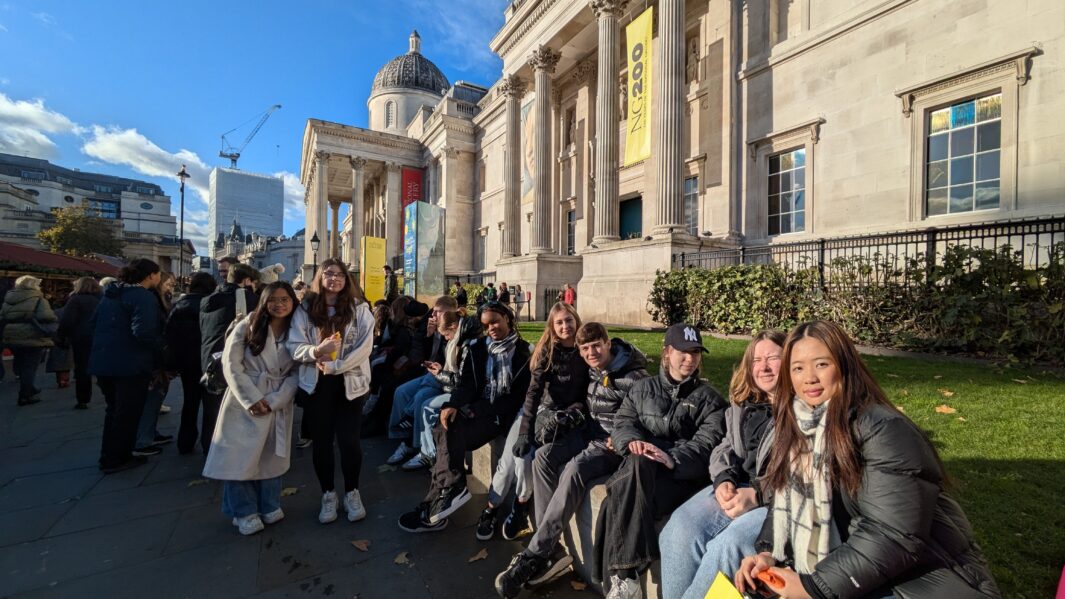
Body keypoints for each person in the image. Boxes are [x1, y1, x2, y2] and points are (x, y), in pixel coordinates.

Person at [734, 321, 1001, 599]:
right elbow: (785, 502)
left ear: (845, 365)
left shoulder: (884, 429)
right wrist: (768, 553)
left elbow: (892, 535)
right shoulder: (800, 426)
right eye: (798, 368)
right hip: (856, 570)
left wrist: (814, 587)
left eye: (822, 364)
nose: (809, 378)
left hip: (917, 582)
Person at [495, 322, 649, 597]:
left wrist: (623, 436)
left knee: (574, 468)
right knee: (542, 457)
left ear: (607, 343)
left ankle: (534, 554)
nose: (591, 352)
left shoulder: (634, 376)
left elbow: (646, 417)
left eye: (596, 346)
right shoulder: (590, 370)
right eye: (585, 348)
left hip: (612, 445)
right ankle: (551, 550)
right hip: (585, 433)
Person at [594, 323, 728, 599]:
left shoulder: (711, 400)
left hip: (679, 480)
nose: (690, 359)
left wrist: (670, 458)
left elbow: (706, 446)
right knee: (638, 463)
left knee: (614, 500)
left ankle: (624, 579)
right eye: (683, 352)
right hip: (641, 474)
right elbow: (623, 423)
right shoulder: (642, 389)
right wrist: (632, 442)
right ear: (667, 353)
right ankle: (626, 579)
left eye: (695, 353)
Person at [659, 330, 786, 599]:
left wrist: (758, 494)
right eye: (756, 360)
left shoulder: (801, 411)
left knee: (727, 547)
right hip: (735, 487)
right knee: (678, 528)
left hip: (776, 500)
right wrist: (724, 479)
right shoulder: (745, 404)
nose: (763, 367)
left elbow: (804, 475)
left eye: (772, 358)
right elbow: (725, 446)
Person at [397, 301, 532, 533]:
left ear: (508, 319)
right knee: (445, 424)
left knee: (449, 433)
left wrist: (475, 409)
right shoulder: (478, 347)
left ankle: (442, 498)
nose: (491, 328)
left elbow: (516, 398)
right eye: (486, 325)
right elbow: (468, 385)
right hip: (479, 411)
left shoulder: (524, 352)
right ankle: (440, 499)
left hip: (501, 416)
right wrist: (453, 404)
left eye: (495, 322)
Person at [481, 302, 587, 547]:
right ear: (552, 326)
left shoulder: (584, 351)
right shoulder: (546, 352)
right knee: (511, 460)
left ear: (576, 320)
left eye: (569, 320)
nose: (565, 326)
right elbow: (533, 395)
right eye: (559, 322)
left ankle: (520, 506)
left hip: (563, 419)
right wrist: (524, 431)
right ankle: (491, 506)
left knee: (526, 460)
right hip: (535, 412)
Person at [202, 281, 300, 536]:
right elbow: (231, 364)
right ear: (264, 301)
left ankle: (269, 504)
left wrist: (277, 399)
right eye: (273, 299)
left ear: (293, 302)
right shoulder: (247, 324)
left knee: (270, 458)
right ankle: (244, 511)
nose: (279, 304)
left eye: (285, 299)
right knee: (239, 458)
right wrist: (252, 398)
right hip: (244, 399)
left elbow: (300, 371)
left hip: (277, 400)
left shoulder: (298, 330)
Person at [288, 259, 374, 525]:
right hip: (316, 383)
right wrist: (315, 352)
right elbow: (294, 345)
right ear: (320, 277)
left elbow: (365, 346)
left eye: (339, 274)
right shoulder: (305, 308)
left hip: (349, 382)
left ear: (346, 279)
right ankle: (328, 494)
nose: (334, 278)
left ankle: (352, 491)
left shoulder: (359, 308)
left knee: (350, 442)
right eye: (328, 274)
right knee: (322, 443)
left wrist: (337, 365)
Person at [90, 259, 163, 473]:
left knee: (113, 411)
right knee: (128, 413)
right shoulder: (143, 297)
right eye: (158, 274)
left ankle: (108, 456)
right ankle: (118, 458)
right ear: (151, 275)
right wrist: (162, 348)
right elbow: (144, 332)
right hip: (130, 364)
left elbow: (93, 324)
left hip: (103, 362)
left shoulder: (110, 295)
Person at [200, 264, 261, 454]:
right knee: (233, 406)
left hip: (209, 357)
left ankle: (208, 447)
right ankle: (229, 449)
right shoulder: (245, 298)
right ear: (246, 280)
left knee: (211, 408)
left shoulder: (208, 299)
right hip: (232, 358)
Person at [167, 272, 217, 454]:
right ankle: (209, 444)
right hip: (208, 362)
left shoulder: (178, 306)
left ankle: (185, 442)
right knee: (210, 405)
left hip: (187, 362)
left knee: (189, 402)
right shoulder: (212, 306)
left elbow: (170, 336)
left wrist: (172, 363)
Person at [134, 271, 176, 457]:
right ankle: (142, 441)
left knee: (154, 399)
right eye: (168, 284)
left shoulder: (157, 301)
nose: (170, 288)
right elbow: (148, 332)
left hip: (155, 358)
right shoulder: (152, 303)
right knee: (151, 399)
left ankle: (149, 434)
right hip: (153, 360)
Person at [0, 275, 58, 406]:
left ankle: (29, 387)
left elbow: (2, 316)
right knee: (30, 366)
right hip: (32, 334)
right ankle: (25, 394)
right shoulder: (38, 299)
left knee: (21, 362)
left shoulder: (8, 298)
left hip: (11, 334)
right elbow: (46, 316)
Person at [57, 277, 102, 409]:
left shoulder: (76, 300)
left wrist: (61, 336)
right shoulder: (101, 299)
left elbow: (67, 320)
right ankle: (108, 390)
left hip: (81, 338)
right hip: (99, 336)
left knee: (82, 368)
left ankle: (83, 399)